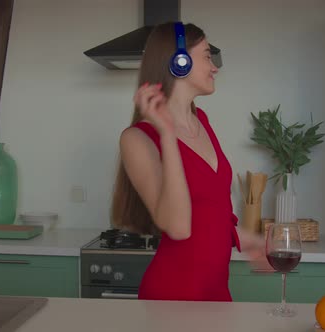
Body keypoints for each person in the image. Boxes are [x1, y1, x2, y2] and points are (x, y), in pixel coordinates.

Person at [111, 22, 268, 302]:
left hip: (217, 293)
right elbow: (180, 227)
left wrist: (251, 240)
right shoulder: (137, 138)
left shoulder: (202, 121)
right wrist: (168, 135)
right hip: (174, 295)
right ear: (178, 61)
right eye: (207, 56)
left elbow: (211, 212)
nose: (215, 67)